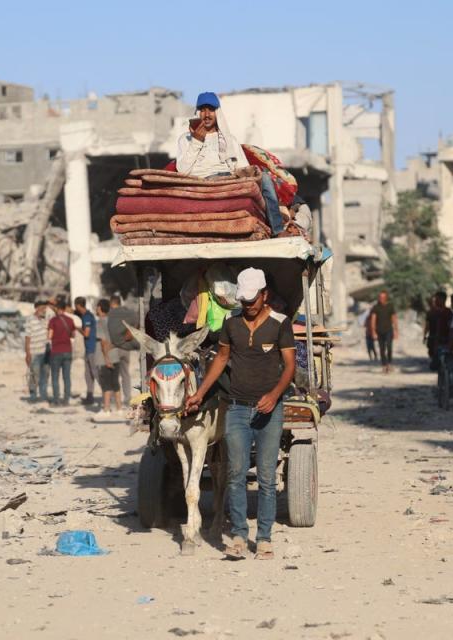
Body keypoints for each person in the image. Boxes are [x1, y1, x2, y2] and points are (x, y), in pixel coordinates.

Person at [185, 267, 296, 560]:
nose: (248, 306)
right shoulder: (231, 324)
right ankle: (237, 536)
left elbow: (290, 366)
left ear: (264, 294)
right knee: (235, 474)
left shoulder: (280, 324)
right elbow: (220, 359)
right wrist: (199, 393)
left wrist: (274, 396)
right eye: (244, 301)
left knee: (267, 478)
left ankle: (264, 538)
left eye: (252, 301)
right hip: (236, 409)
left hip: (270, 412)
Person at [175, 92, 284, 235]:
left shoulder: (229, 139)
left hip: (229, 178)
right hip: (203, 180)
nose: (206, 114)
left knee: (265, 178)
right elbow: (182, 171)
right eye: (202, 110)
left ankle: (278, 230)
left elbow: (242, 168)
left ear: (218, 113)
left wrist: (249, 174)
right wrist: (197, 141)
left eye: (211, 110)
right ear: (197, 112)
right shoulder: (186, 139)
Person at [107, 295, 138, 406]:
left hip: (114, 348)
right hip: (126, 348)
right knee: (125, 374)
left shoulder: (111, 315)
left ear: (111, 303)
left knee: (112, 374)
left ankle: (111, 399)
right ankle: (127, 397)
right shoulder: (127, 313)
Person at [95, 299, 121, 416]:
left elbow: (103, 342)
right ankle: (119, 409)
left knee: (106, 385)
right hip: (116, 355)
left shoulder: (100, 322)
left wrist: (106, 359)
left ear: (100, 308)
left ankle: (106, 409)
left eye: (97, 307)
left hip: (105, 358)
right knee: (115, 383)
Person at [47, 299, 75, 406]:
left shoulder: (53, 321)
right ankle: (66, 399)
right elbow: (73, 335)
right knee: (67, 377)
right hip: (67, 350)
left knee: (55, 376)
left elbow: (49, 336)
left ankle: (56, 400)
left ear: (57, 309)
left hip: (56, 351)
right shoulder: (70, 320)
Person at [23, 300, 50, 403]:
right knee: (34, 374)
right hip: (34, 351)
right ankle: (33, 395)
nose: (44, 310)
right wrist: (27, 353)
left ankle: (43, 396)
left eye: (45, 308)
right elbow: (27, 337)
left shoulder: (45, 320)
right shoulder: (30, 320)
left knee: (46, 373)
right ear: (37, 308)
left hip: (46, 351)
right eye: (43, 308)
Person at [74, 297, 98, 406]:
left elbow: (86, 333)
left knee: (95, 373)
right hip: (88, 349)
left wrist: (78, 329)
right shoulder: (87, 315)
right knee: (88, 375)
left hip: (92, 349)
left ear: (78, 305)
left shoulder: (87, 317)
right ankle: (90, 396)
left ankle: (108, 396)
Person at [369, 291, 398, 373]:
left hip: (389, 330)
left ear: (386, 298)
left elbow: (394, 318)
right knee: (382, 349)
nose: (381, 299)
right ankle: (384, 365)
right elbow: (373, 320)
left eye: (383, 297)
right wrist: (373, 331)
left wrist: (396, 330)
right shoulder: (376, 307)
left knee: (389, 347)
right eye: (380, 297)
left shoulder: (390, 306)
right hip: (379, 331)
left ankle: (389, 363)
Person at [424, 291, 453, 371]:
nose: (435, 301)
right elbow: (427, 326)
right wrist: (425, 336)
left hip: (445, 339)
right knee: (433, 357)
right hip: (433, 339)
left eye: (437, 299)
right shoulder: (431, 312)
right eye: (435, 299)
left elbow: (452, 327)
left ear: (443, 300)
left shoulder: (448, 312)